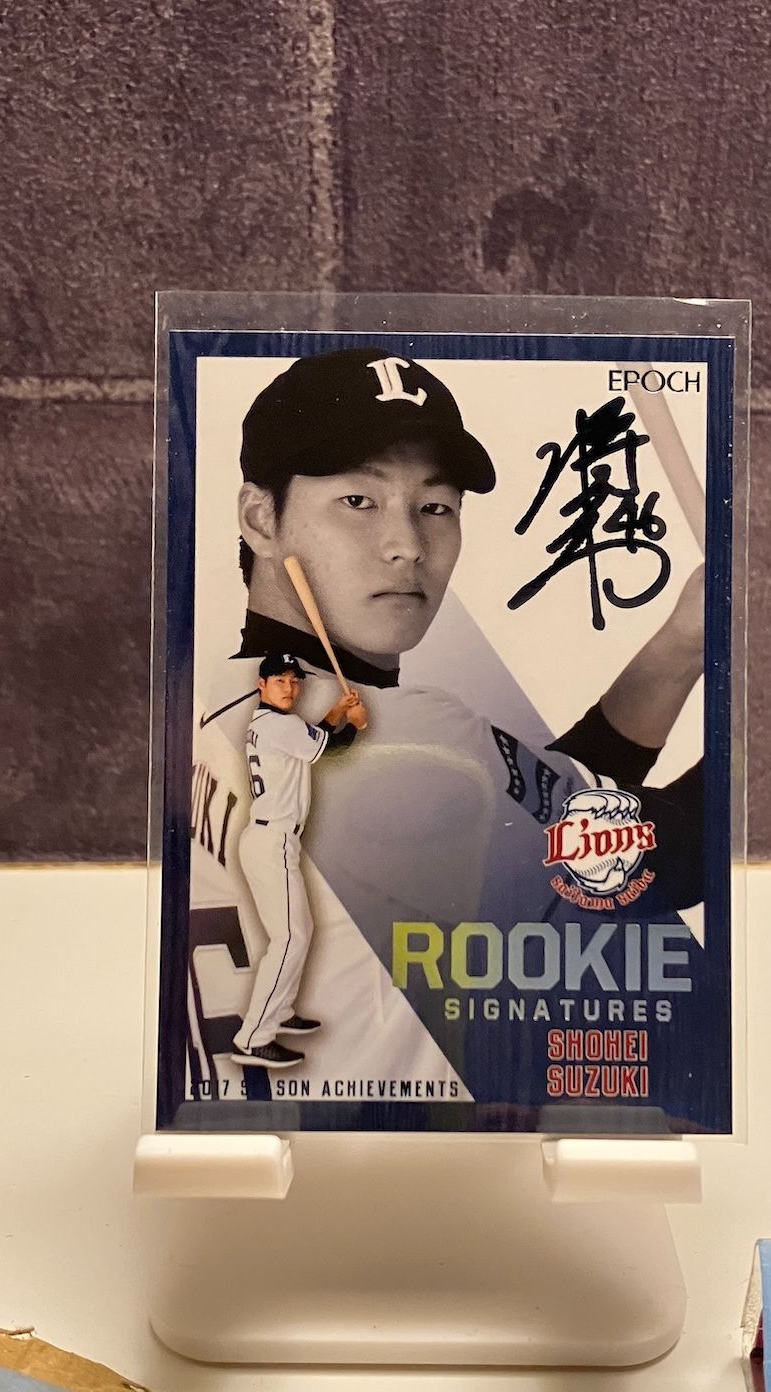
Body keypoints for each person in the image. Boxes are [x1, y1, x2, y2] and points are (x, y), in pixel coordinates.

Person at [185, 345, 707, 1113]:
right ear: (261, 518)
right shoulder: (401, 743)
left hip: (277, 1144)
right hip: (383, 1172)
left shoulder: (222, 694)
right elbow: (675, 854)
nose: (407, 545)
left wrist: (685, 644)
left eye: (435, 506)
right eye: (358, 500)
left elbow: (524, 803)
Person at [229, 652, 365, 1069]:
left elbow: (314, 737)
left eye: (294, 680)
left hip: (269, 839)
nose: (289, 688)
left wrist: (337, 711)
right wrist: (356, 725)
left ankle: (282, 1010)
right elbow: (331, 748)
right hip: (272, 842)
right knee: (290, 938)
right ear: (261, 685)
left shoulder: (270, 723)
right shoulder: (282, 726)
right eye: (279, 680)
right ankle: (253, 1038)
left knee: (298, 932)